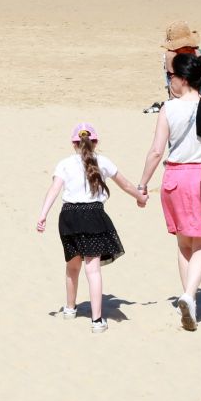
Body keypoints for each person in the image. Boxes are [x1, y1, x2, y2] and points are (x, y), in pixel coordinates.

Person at [138, 53, 201, 331]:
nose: (169, 81)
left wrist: (142, 184)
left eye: (171, 76)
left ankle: (191, 300)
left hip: (173, 178)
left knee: (184, 243)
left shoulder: (168, 109)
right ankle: (188, 295)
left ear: (183, 79)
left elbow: (157, 151)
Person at [36, 122, 147, 333]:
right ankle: (97, 320)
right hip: (93, 215)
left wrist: (43, 215)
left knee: (72, 266)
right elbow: (125, 185)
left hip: (68, 216)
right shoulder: (103, 162)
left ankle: (70, 308)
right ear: (95, 142)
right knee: (92, 270)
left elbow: (53, 190)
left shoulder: (64, 164)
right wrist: (140, 197)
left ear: (73, 144)